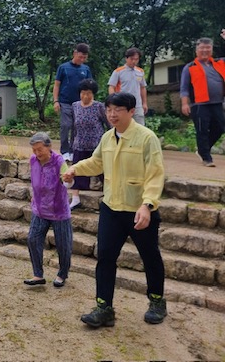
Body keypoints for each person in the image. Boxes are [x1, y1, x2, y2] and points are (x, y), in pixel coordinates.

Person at [62, 92, 166, 328]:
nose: (112, 114)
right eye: (109, 109)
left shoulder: (147, 138)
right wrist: (75, 169)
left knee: (150, 257)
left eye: (118, 109)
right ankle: (104, 308)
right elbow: (96, 162)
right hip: (111, 207)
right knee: (106, 257)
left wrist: (147, 204)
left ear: (131, 111)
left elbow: (155, 174)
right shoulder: (107, 138)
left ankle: (157, 301)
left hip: (139, 209)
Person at [24, 132, 73, 289]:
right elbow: (35, 180)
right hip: (40, 208)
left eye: (40, 149)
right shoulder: (33, 160)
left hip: (58, 210)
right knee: (33, 238)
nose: (37, 153)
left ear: (49, 147)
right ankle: (38, 274)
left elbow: (67, 182)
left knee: (63, 244)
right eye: (34, 150)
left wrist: (68, 180)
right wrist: (34, 195)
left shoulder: (59, 161)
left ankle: (62, 274)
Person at [180, 36, 225, 168]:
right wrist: (184, 103)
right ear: (196, 50)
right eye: (202, 48)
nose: (205, 50)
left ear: (212, 49)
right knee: (202, 130)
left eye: (208, 48)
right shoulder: (190, 67)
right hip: (199, 104)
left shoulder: (219, 63)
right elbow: (184, 88)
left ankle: (202, 150)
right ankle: (206, 158)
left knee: (220, 128)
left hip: (217, 102)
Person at [69, 79, 109, 210]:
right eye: (83, 93)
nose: (86, 96)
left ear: (93, 94)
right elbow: (73, 126)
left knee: (104, 171)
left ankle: (109, 195)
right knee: (76, 170)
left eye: (89, 93)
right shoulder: (75, 106)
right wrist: (71, 144)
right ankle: (75, 199)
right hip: (79, 144)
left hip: (97, 145)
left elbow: (108, 124)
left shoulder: (99, 106)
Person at [53, 43, 93, 162]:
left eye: (84, 57)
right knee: (66, 125)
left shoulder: (85, 69)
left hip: (80, 103)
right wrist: (56, 100)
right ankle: (64, 150)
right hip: (65, 101)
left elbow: (89, 86)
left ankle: (73, 150)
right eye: (80, 57)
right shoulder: (63, 67)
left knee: (77, 127)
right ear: (74, 53)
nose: (82, 59)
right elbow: (56, 85)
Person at [108, 47, 148, 125]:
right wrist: (114, 101)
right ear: (126, 58)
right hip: (122, 104)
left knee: (140, 127)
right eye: (132, 59)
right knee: (123, 126)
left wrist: (144, 103)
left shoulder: (140, 71)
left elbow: (142, 88)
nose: (134, 61)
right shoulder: (118, 72)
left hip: (137, 105)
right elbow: (111, 87)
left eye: (136, 59)